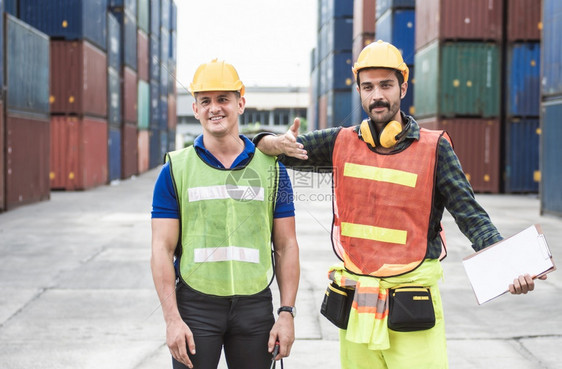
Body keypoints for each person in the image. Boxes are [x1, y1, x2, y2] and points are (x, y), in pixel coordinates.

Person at [254, 40, 545, 369]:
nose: (377, 95)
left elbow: (472, 217)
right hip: (357, 307)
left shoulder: (435, 149)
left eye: (385, 85)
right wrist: (274, 142)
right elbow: (267, 147)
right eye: (368, 87)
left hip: (411, 307)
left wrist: (510, 265)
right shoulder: (340, 142)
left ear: (403, 87)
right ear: (359, 91)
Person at [151, 59, 300, 369]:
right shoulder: (174, 170)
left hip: (255, 308)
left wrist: (286, 313)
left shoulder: (274, 171)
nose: (214, 108)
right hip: (195, 307)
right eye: (205, 101)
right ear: (194, 108)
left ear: (240, 103)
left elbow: (286, 246)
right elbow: (161, 250)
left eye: (223, 99)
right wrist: (171, 320)